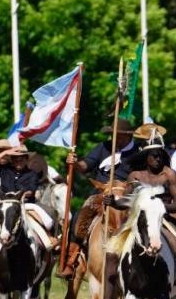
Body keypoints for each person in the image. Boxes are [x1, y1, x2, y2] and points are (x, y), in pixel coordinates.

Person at [99, 129, 176, 299]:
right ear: (146, 157)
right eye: (154, 155)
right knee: (111, 251)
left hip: (162, 219)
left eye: (160, 155)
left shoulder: (169, 175)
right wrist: (114, 202)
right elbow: (127, 201)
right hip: (136, 221)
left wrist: (158, 207)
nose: (158, 159)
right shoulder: (135, 175)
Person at [57, 118, 139, 279]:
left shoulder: (138, 152)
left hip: (127, 193)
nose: (116, 139)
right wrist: (75, 163)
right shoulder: (103, 147)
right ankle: (72, 259)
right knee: (80, 216)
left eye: (120, 136)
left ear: (128, 136)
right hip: (100, 191)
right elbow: (85, 166)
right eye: (114, 135)